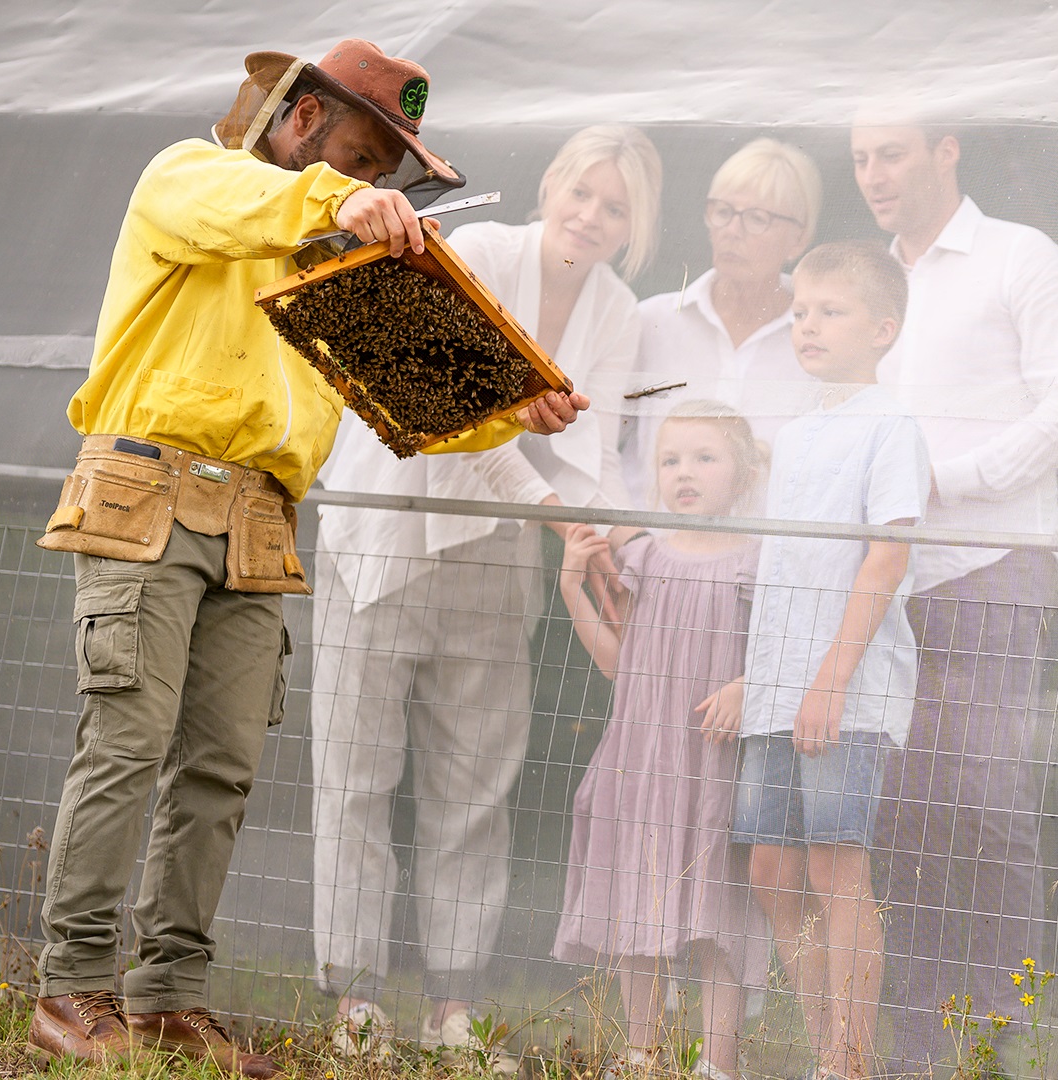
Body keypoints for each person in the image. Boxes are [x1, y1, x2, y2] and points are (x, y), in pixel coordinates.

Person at [25, 38, 588, 1076]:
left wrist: (518, 406)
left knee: (220, 773)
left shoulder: (322, 252)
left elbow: (420, 399)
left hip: (260, 524)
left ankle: (167, 1000)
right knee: (127, 747)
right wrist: (341, 204)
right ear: (299, 119)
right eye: (364, 157)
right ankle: (72, 992)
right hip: (145, 496)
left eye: (383, 171)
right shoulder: (189, 179)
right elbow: (250, 203)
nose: (371, 183)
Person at [310, 124, 662, 1068]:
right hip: (379, 543)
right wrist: (560, 516)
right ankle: (355, 1000)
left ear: (635, 226)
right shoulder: (476, 252)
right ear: (550, 185)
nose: (590, 214)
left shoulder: (619, 312)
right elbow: (454, 416)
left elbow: (591, 454)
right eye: (580, 191)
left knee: (475, 789)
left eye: (615, 205)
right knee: (357, 780)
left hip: (497, 563)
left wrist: (628, 543)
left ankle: (452, 1008)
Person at [850, 112, 1058, 1072]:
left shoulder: (1022, 258)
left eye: (890, 153)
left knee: (983, 798)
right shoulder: (865, 280)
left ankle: (999, 1033)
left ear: (947, 150)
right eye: (859, 158)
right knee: (900, 804)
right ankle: (916, 1042)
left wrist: (948, 481)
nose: (872, 175)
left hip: (993, 564)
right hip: (882, 581)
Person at [718, 243, 930, 1079]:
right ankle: (823, 1045)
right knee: (773, 865)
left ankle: (849, 1063)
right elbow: (783, 572)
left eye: (830, 312)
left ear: (883, 330)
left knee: (837, 862)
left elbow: (886, 556)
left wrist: (829, 680)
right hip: (779, 687)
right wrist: (758, 674)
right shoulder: (797, 433)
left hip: (844, 690)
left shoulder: (891, 423)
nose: (807, 325)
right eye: (800, 311)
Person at [552, 402, 763, 1080]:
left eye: (706, 458)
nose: (686, 473)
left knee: (716, 916)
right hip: (644, 758)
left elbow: (785, 651)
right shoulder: (641, 556)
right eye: (671, 461)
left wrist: (746, 686)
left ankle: (716, 1063)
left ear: (744, 472)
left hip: (713, 762)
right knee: (640, 912)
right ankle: (641, 1052)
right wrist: (571, 584)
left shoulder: (758, 559)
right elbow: (619, 662)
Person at [620, 137, 823, 510]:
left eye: (757, 218)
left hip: (768, 562)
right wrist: (628, 542)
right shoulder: (653, 321)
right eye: (723, 212)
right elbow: (597, 444)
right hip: (652, 559)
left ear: (799, 239)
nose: (732, 230)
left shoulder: (819, 339)